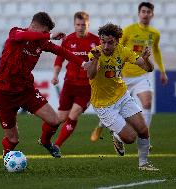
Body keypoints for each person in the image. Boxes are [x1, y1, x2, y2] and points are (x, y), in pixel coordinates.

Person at [0, 12, 87, 159]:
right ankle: (7, 158)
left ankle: (45, 141)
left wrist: (83, 63)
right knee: (13, 139)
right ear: (35, 26)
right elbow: (23, 36)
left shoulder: (41, 42)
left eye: (48, 33)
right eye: (45, 31)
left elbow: (61, 51)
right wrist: (49, 36)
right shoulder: (16, 33)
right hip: (3, 94)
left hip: (26, 91)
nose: (46, 34)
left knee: (54, 121)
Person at [90, 2, 168, 154]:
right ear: (139, 13)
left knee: (147, 102)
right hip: (122, 75)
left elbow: (156, 52)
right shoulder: (128, 31)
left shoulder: (155, 34)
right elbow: (118, 51)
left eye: (148, 12)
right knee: (114, 106)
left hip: (140, 75)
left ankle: (143, 135)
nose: (145, 14)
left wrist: (162, 70)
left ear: (152, 14)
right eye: (143, 11)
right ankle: (115, 130)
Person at [82, 23, 159, 171]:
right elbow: (90, 74)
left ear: (117, 41)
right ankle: (117, 135)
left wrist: (147, 59)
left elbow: (148, 68)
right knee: (130, 138)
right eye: (103, 42)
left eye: (110, 42)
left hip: (122, 96)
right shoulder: (95, 53)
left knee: (143, 130)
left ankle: (143, 164)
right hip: (103, 105)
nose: (105, 46)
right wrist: (96, 60)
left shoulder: (124, 51)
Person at [49, 11, 100, 150]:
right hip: (69, 84)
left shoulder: (96, 42)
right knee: (60, 117)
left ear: (88, 24)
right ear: (74, 24)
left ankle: (57, 145)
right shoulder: (68, 40)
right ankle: (45, 139)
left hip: (86, 86)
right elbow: (60, 58)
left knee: (74, 113)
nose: (80, 27)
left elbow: (100, 65)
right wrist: (55, 75)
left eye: (83, 24)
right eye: (78, 24)